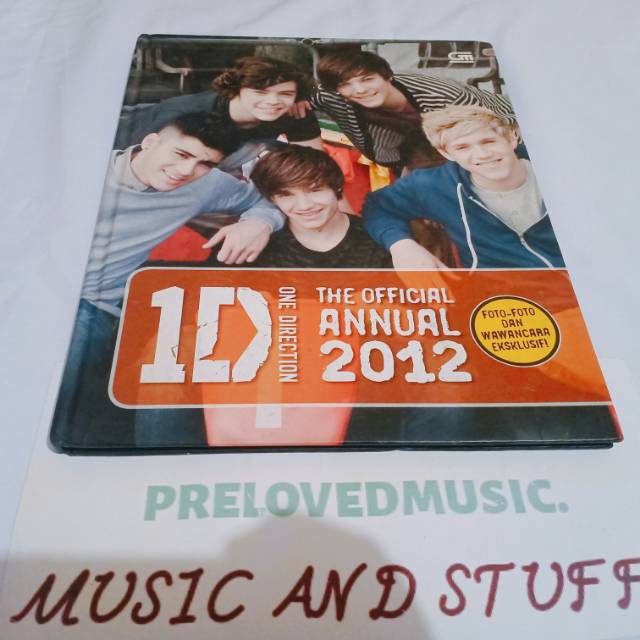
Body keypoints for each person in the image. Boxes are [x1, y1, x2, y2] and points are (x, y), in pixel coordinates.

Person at [50, 112, 283, 450]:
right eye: (182, 154)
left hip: (93, 305)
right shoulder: (81, 169)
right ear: (150, 142)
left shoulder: (205, 184)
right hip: (40, 293)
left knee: (61, 377)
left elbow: (271, 200)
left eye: (205, 163)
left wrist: (259, 222)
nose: (186, 171)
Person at [362, 105, 564, 270]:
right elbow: (378, 206)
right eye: (462, 147)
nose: (482, 154)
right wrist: (401, 245)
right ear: (446, 153)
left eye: (488, 141)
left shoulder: (560, 171)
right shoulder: (436, 184)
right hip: (499, 296)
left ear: (512, 138)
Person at [309, 50, 514, 171]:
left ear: (387, 76)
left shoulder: (443, 95)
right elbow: (296, 91)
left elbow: (493, 128)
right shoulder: (331, 95)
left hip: (500, 123)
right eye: (345, 84)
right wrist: (298, 100)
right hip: (415, 143)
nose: (360, 90)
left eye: (367, 79)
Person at [115, 55, 324, 165]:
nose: (273, 101)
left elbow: (314, 163)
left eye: (286, 93)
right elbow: (134, 162)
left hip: (218, 159)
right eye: (260, 92)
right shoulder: (188, 113)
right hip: (125, 131)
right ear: (237, 89)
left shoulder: (294, 110)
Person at [249, 145, 390, 268]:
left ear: (337, 187)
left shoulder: (380, 238)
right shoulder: (259, 245)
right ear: (272, 199)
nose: (304, 206)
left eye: (314, 190)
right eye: (286, 195)